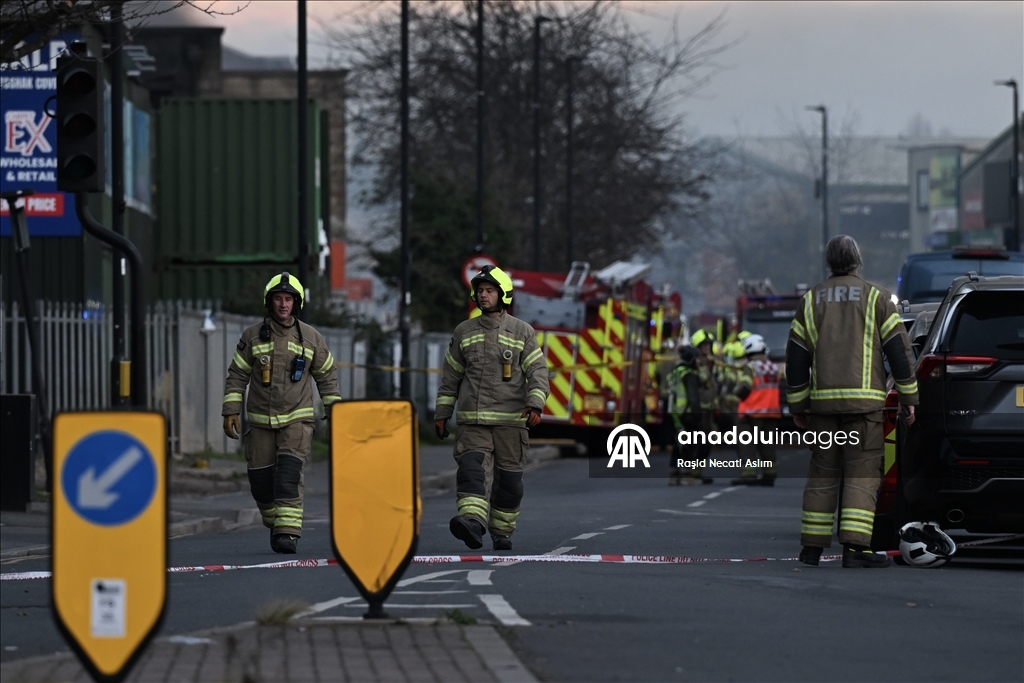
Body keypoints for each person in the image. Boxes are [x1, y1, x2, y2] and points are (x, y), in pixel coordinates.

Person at [786, 235, 918, 568]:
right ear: (858, 260)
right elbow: (899, 353)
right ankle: (855, 550)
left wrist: (799, 406)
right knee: (862, 475)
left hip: (823, 410)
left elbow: (797, 358)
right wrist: (908, 397)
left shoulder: (811, 300)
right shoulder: (876, 299)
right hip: (865, 410)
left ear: (829, 262)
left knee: (822, 476)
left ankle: (811, 549)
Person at [222, 272, 341, 554]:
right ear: (269, 302)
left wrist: (335, 414)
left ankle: (287, 534)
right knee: (261, 485)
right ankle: (276, 522)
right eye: (278, 298)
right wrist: (231, 410)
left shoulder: (311, 338)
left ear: (296, 303)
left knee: (289, 474)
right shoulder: (251, 336)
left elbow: (328, 377)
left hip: (297, 420)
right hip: (260, 422)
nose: (283, 304)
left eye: (288, 299)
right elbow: (237, 374)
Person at [434, 266, 550, 552]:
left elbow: (538, 371)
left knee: (509, 484)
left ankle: (502, 531)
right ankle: (472, 523)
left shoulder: (523, 332)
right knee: (471, 470)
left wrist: (535, 404)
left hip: (511, 423)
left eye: (490, 291)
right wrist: (442, 413)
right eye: (480, 291)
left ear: (503, 295)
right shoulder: (464, 331)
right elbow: (451, 377)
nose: (483, 296)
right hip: (473, 422)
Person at [731, 333, 780, 486]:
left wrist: (735, 393)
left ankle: (749, 475)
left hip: (751, 413)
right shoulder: (773, 367)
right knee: (767, 446)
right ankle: (769, 475)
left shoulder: (750, 367)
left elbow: (744, 386)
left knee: (747, 445)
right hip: (771, 413)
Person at [674, 329, 718, 485]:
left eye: (708, 345)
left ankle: (695, 472)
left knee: (705, 441)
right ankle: (690, 473)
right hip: (698, 409)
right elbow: (703, 382)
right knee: (696, 441)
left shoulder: (712, 361)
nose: (706, 348)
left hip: (709, 408)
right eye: (703, 345)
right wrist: (702, 367)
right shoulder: (695, 365)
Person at [666, 345, 702, 485]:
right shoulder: (688, 374)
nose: (698, 362)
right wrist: (697, 415)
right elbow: (693, 397)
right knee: (690, 445)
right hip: (687, 414)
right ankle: (687, 476)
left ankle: (674, 475)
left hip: (674, 415)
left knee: (677, 445)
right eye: (697, 358)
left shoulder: (675, 372)